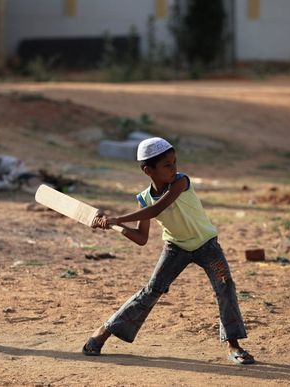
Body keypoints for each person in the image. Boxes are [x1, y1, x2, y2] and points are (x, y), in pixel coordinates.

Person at [83, 137, 254, 365]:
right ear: (148, 170)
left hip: (207, 245)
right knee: (151, 291)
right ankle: (104, 331)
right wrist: (116, 227)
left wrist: (116, 217)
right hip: (176, 249)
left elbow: (158, 208)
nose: (174, 168)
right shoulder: (143, 199)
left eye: (174, 162)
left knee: (225, 286)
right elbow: (141, 238)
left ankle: (233, 345)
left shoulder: (181, 182)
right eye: (167, 165)